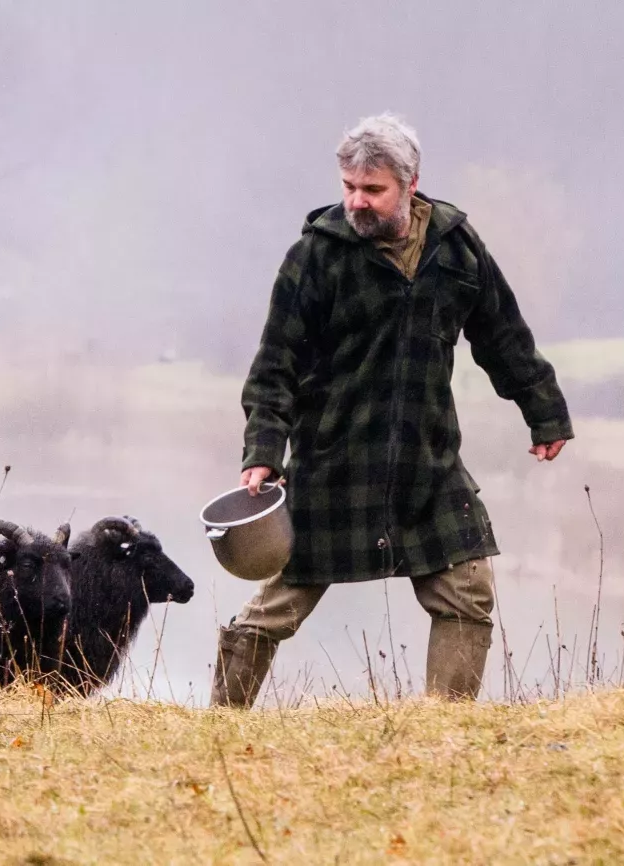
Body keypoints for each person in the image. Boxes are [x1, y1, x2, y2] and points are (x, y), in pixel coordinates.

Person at [212, 113, 573, 707]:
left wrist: (544, 410)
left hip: (425, 462)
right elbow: (275, 364)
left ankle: (443, 727)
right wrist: (262, 452)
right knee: (277, 605)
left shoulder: (456, 248)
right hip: (335, 463)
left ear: (410, 184)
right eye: (349, 187)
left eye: (373, 190)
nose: (358, 202)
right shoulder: (314, 259)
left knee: (467, 588)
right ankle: (221, 721)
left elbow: (502, 334)